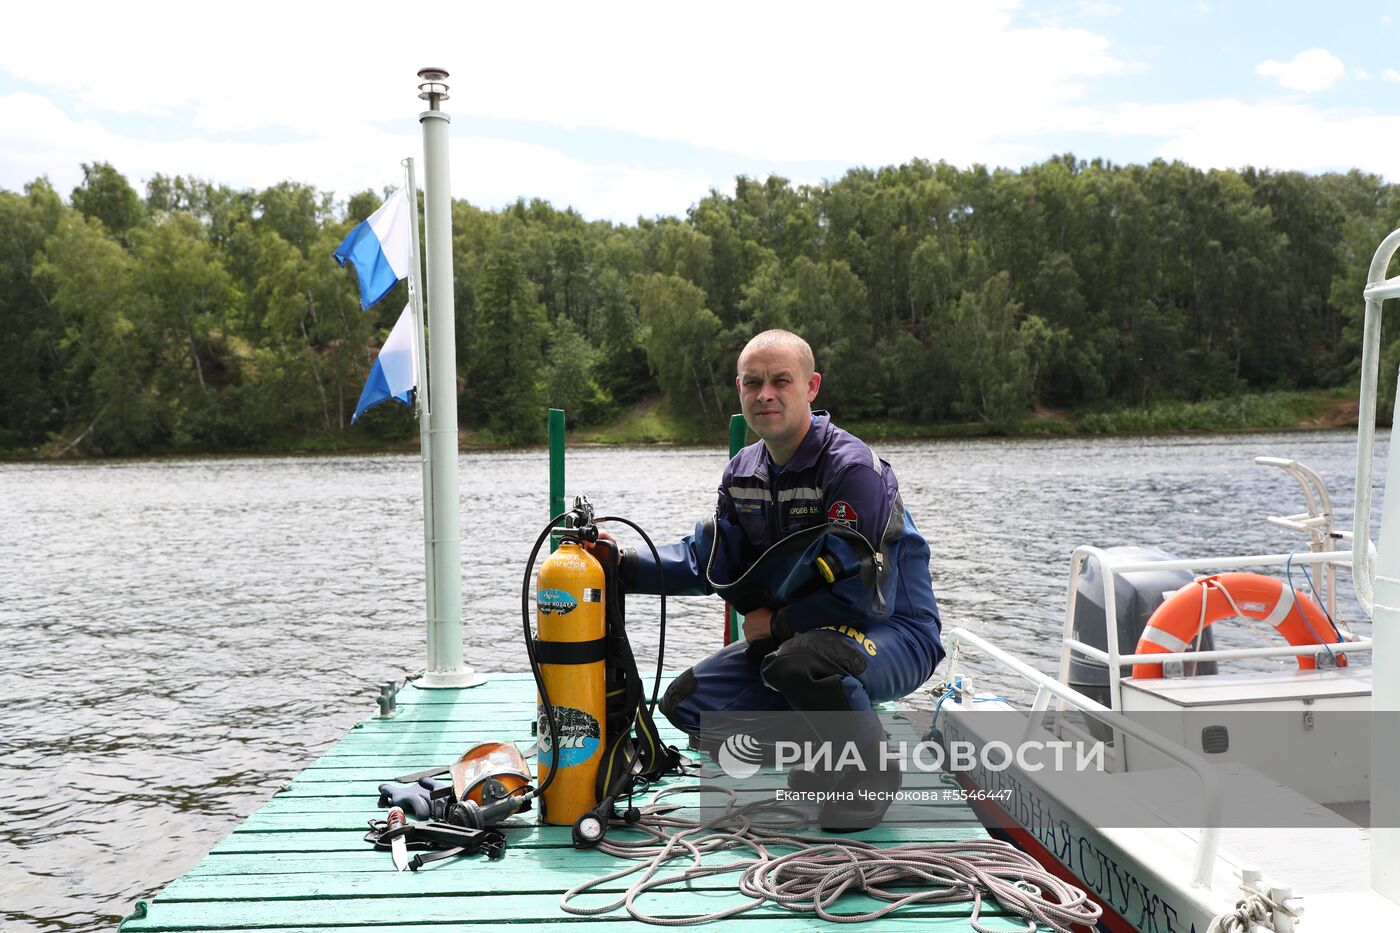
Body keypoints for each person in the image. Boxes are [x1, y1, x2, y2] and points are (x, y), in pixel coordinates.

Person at [610, 329, 943, 829]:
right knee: (691, 705)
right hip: (801, 637)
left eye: (780, 381)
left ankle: (870, 772)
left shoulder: (853, 469)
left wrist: (780, 625)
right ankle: (824, 752)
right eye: (753, 382)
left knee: (802, 663)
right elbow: (710, 561)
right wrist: (620, 566)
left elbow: (861, 597)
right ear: (739, 390)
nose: (765, 393)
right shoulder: (740, 472)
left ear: (811, 387)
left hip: (894, 631)